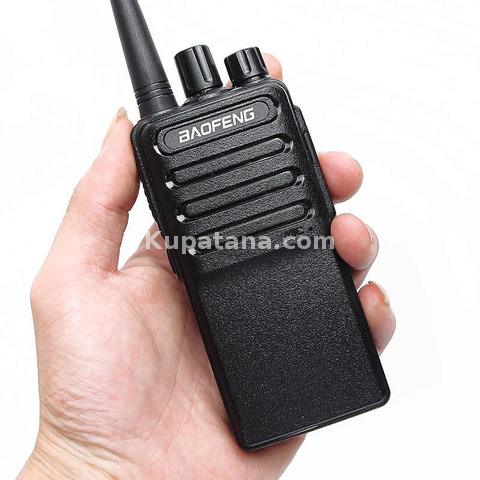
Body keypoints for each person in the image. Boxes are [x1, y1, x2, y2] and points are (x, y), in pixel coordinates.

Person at [18, 55, 396, 480]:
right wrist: (83, 463)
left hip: (294, 245)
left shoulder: (208, 123)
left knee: (345, 230)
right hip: (223, 269)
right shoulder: (253, 108)